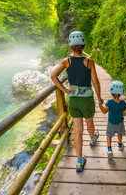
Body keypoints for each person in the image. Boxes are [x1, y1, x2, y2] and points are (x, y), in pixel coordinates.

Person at [50, 31, 103, 172]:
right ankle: (93, 138)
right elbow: (95, 82)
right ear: (83, 47)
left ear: (71, 47)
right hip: (87, 100)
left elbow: (53, 76)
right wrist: (100, 98)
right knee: (90, 122)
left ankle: (79, 161)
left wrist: (64, 90)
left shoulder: (66, 62)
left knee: (78, 131)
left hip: (73, 100)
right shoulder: (89, 61)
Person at [99, 81, 126, 159]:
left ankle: (110, 149)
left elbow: (104, 111)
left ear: (112, 93)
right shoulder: (123, 103)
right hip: (120, 123)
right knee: (119, 133)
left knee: (109, 135)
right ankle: (120, 145)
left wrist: (100, 105)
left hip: (111, 123)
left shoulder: (110, 102)